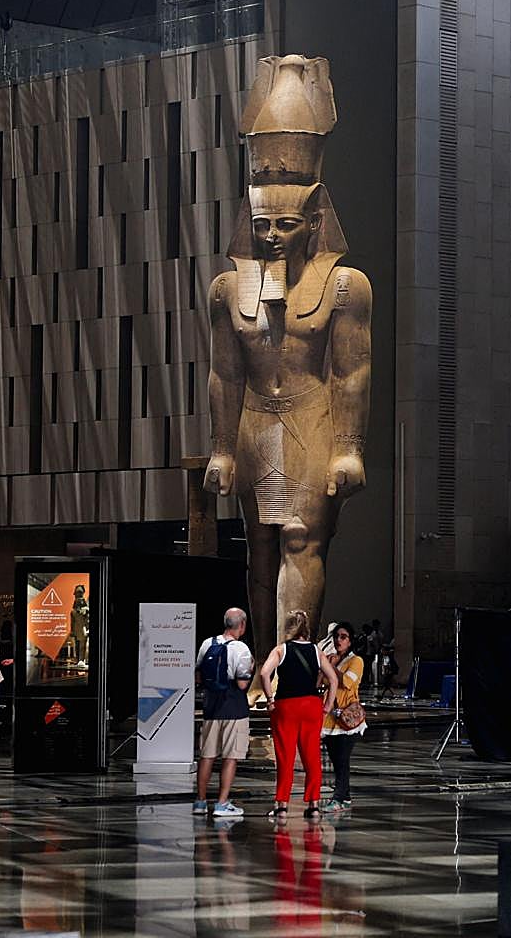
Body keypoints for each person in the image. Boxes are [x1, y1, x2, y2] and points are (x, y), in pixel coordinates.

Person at [204, 55, 372, 686]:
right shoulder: (227, 289)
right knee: (261, 548)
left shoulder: (345, 285)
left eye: (286, 224)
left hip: (312, 418)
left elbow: (352, 373)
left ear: (314, 221)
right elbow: (225, 374)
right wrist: (220, 448)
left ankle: (293, 672)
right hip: (252, 424)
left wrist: (349, 449)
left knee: (303, 542)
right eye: (262, 225)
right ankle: (257, 674)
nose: (273, 237)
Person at [260, 610, 338, 820]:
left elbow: (264, 673)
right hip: (312, 705)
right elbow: (333, 679)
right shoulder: (316, 650)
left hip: (286, 705)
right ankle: (313, 805)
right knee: (311, 756)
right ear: (307, 628)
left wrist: (269, 699)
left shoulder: (281, 650)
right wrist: (328, 705)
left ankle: (282, 805)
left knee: (285, 756)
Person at [193, 608, 254, 819]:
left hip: (211, 706)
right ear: (242, 625)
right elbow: (242, 683)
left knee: (207, 755)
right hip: (234, 706)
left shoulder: (207, 643)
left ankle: (200, 802)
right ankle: (221, 804)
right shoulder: (242, 649)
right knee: (230, 756)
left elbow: (198, 676)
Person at [322, 622, 367, 812]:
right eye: (336, 636)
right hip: (331, 718)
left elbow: (347, 682)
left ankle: (338, 797)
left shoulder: (356, 661)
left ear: (350, 641)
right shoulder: (332, 659)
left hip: (348, 718)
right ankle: (345, 796)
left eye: (343, 637)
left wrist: (332, 668)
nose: (338, 640)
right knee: (335, 758)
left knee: (342, 758)